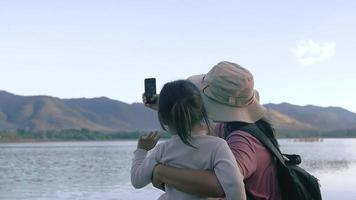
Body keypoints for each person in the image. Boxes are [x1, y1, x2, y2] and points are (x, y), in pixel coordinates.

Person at [145, 61, 282, 200]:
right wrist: (171, 110)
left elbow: (218, 185)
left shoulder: (243, 141)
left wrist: (160, 172)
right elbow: (200, 133)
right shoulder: (232, 126)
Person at [131, 80, 246, 200]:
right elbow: (235, 186)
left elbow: (137, 181)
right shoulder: (218, 146)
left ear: (164, 120)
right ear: (201, 112)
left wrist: (142, 149)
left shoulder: (162, 150)